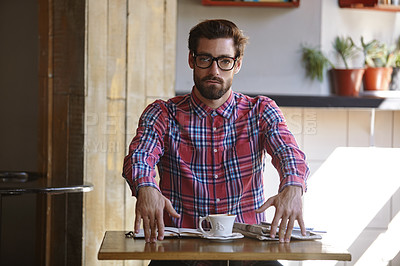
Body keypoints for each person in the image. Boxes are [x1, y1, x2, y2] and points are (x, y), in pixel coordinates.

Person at [123, 19, 309, 266]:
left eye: (224, 61)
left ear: (237, 64)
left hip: (248, 254)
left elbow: (289, 153)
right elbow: (139, 156)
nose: (214, 71)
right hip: (180, 253)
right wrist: (146, 187)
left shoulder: (261, 111)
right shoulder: (162, 114)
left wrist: (293, 187)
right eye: (205, 59)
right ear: (192, 60)